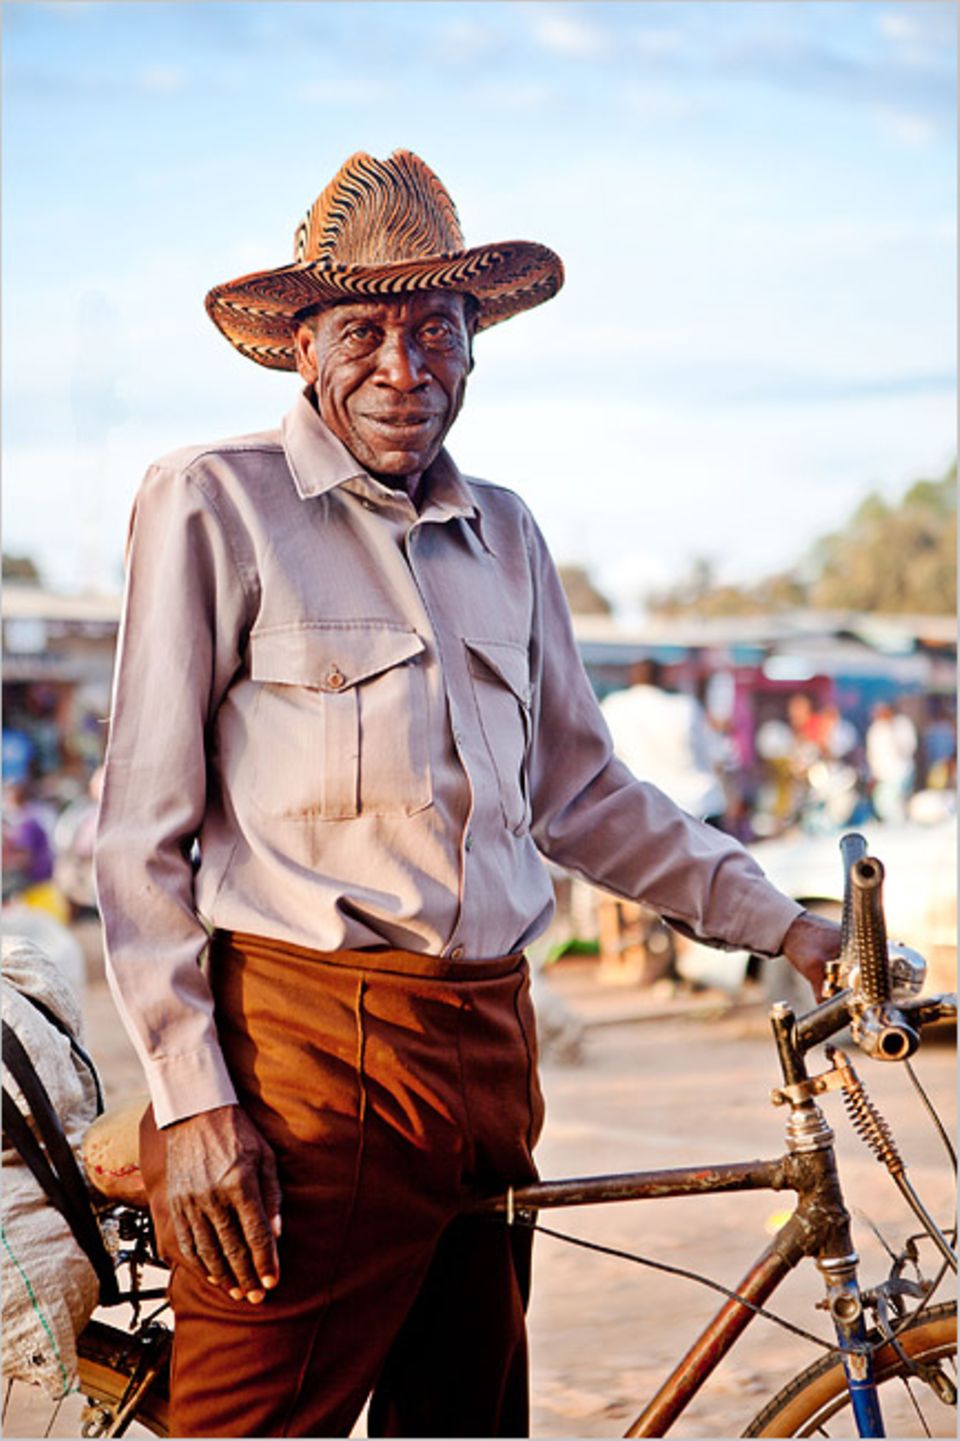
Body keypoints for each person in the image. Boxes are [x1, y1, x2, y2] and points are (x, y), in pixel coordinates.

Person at [95, 149, 840, 1439]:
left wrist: (790, 922)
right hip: (308, 1064)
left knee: (469, 1419)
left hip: (494, 1053)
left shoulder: (508, 532)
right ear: (304, 352)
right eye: (365, 330)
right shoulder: (214, 503)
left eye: (435, 327)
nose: (404, 364)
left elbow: (585, 794)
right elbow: (136, 840)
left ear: (476, 347)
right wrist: (195, 1100)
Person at [599, 657, 726, 825]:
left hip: (642, 808)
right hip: (697, 805)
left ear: (632, 677)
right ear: (662, 678)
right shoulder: (686, 707)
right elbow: (715, 755)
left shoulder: (613, 706)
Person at [866, 701, 918, 823]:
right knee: (882, 803)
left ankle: (900, 827)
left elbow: (909, 747)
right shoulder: (875, 729)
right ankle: (894, 826)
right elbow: (873, 755)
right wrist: (874, 774)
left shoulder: (902, 724)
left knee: (895, 802)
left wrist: (892, 731)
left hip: (901, 772)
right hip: (883, 775)